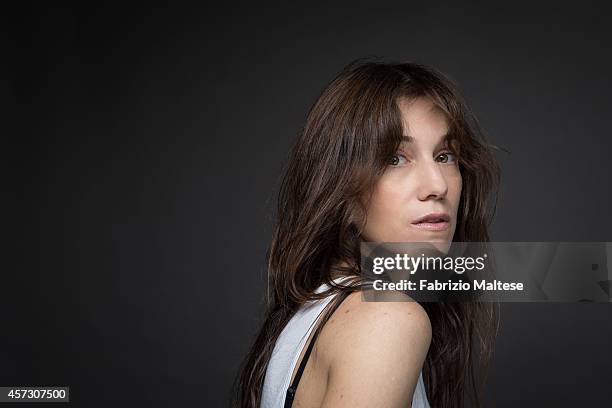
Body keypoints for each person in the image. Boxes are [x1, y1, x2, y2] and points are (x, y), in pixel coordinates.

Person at [235, 59, 500, 408]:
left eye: (445, 155)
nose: (437, 185)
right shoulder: (386, 320)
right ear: (340, 186)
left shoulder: (315, 313)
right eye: (394, 159)